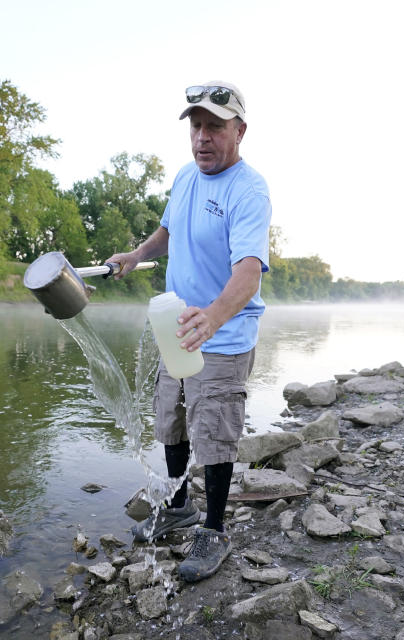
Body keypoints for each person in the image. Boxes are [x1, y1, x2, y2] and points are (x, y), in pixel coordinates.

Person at [105, 81, 271, 582]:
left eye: (214, 127)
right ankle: (178, 504)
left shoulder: (249, 189)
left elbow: (248, 270)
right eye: (196, 126)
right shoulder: (184, 177)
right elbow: (169, 231)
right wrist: (137, 255)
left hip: (222, 334)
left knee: (215, 434)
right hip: (175, 325)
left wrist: (214, 317)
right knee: (171, 420)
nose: (202, 137)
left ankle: (214, 530)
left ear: (239, 131)